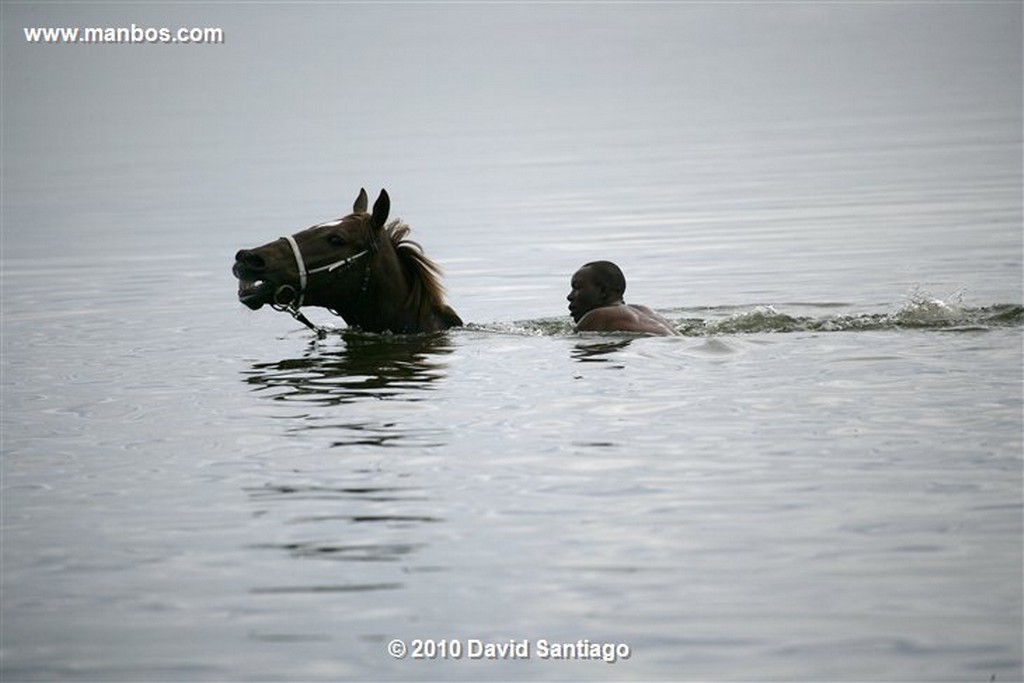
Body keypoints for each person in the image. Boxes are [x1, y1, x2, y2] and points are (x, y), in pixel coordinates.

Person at [566, 261, 679, 336]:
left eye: (577, 288)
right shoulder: (642, 309)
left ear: (603, 291)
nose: (569, 296)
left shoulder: (598, 316)